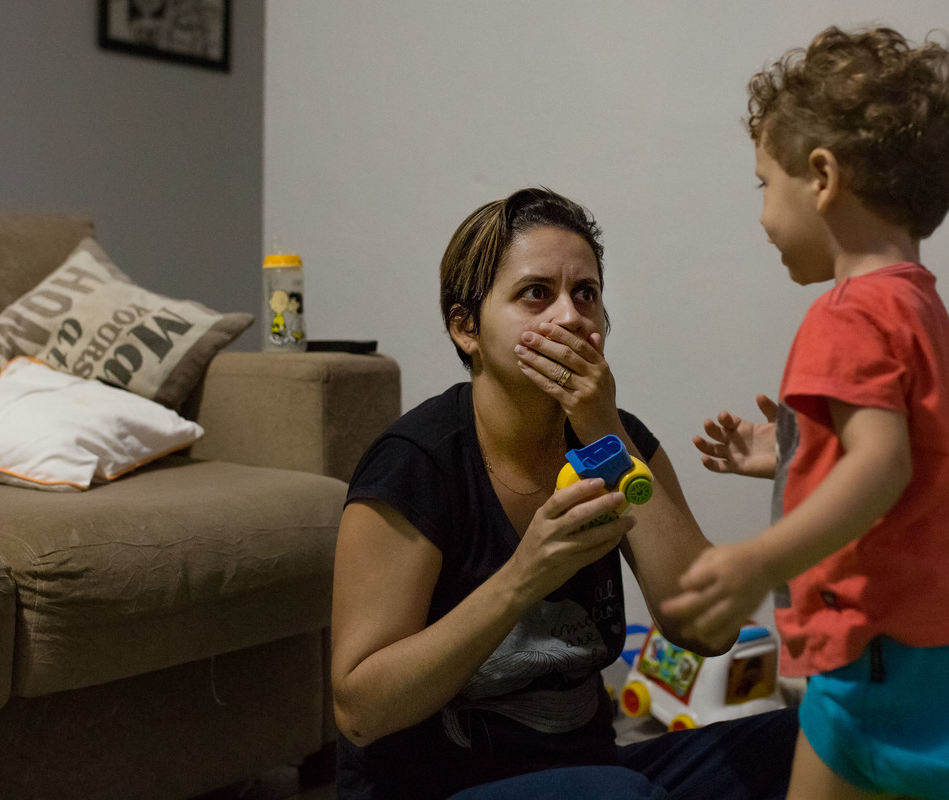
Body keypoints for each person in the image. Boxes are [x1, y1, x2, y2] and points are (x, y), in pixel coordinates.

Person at [329, 187, 798, 800]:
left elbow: (708, 631)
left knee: (822, 738)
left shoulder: (620, 439)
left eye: (587, 294)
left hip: (592, 769)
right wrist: (523, 576)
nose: (571, 317)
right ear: (465, 327)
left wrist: (606, 431)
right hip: (434, 787)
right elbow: (360, 710)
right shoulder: (416, 465)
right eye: (535, 294)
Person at [662, 26, 949, 799]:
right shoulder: (920, 306)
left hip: (882, 644)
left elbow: (882, 464)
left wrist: (761, 558)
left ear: (821, 176)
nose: (762, 213)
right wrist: (791, 451)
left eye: (763, 183)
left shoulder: (846, 312)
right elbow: (913, 456)